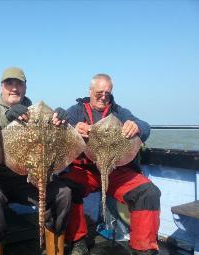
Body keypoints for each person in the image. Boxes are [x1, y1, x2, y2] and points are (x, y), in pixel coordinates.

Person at [0, 67, 72, 255]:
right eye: (9, 83)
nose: (14, 88)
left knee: (62, 193)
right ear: (1, 86)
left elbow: (57, 141)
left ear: (25, 87)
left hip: (26, 176)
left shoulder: (36, 111)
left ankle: (54, 251)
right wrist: (7, 119)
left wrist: (62, 121)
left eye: (19, 84)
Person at [60, 74, 161, 255]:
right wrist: (72, 129)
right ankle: (77, 241)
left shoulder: (119, 112)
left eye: (108, 92)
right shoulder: (76, 111)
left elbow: (146, 127)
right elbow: (61, 126)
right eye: (99, 92)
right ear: (90, 91)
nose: (103, 96)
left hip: (115, 170)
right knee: (66, 188)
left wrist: (136, 126)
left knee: (148, 192)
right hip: (86, 170)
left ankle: (143, 248)